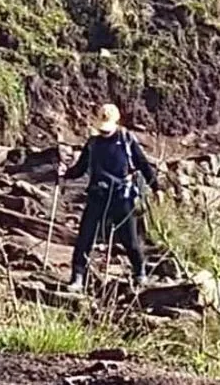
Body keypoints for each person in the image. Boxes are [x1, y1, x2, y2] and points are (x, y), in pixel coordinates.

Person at [59, 103, 159, 291]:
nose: (104, 132)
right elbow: (80, 169)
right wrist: (65, 173)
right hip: (98, 194)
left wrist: (156, 187)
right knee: (84, 238)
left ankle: (140, 274)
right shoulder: (93, 143)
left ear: (116, 122)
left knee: (130, 240)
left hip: (122, 197)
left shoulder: (127, 139)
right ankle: (78, 277)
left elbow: (143, 164)